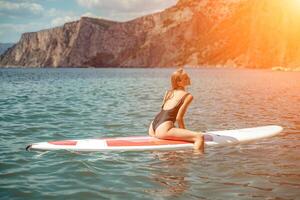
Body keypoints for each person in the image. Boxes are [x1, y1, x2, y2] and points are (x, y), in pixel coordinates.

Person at [148, 68, 204, 152]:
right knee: (199, 137)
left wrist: (183, 133)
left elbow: (165, 112)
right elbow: (179, 118)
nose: (189, 78)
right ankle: (195, 161)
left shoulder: (168, 93)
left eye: (188, 76)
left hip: (153, 127)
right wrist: (186, 134)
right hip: (163, 129)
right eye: (186, 78)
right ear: (178, 82)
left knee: (174, 129)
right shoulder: (188, 96)